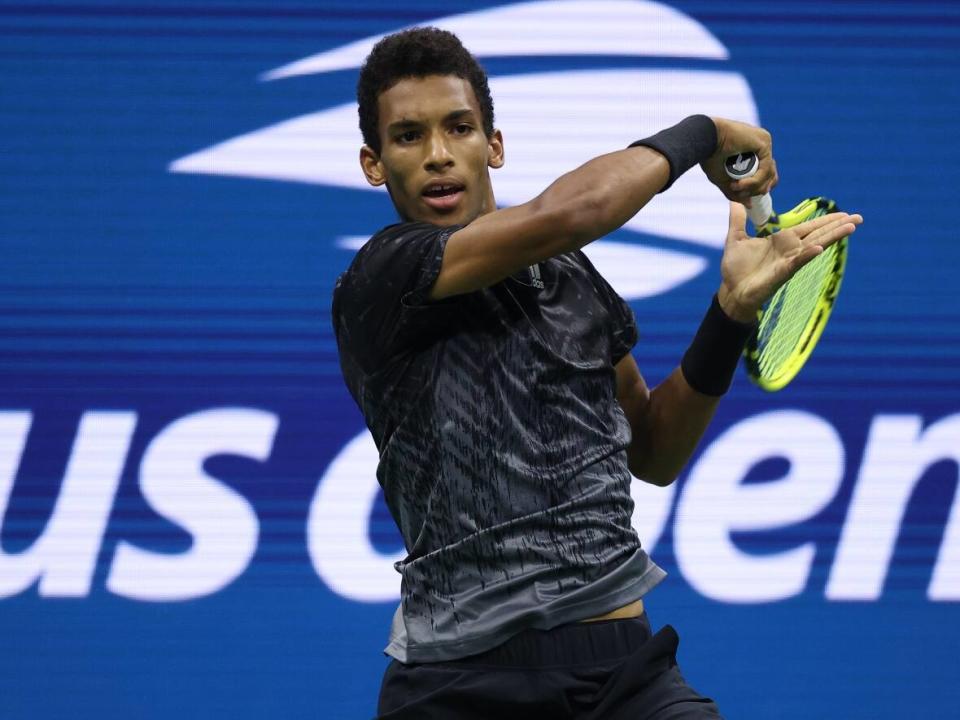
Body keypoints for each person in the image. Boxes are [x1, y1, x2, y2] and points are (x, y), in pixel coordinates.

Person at [332, 27, 860, 720]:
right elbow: (574, 212)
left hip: (622, 676)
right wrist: (699, 134)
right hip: (458, 685)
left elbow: (654, 449)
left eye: (458, 128)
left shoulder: (570, 277)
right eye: (408, 137)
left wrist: (729, 314)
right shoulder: (384, 275)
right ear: (374, 164)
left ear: (493, 146)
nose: (438, 155)